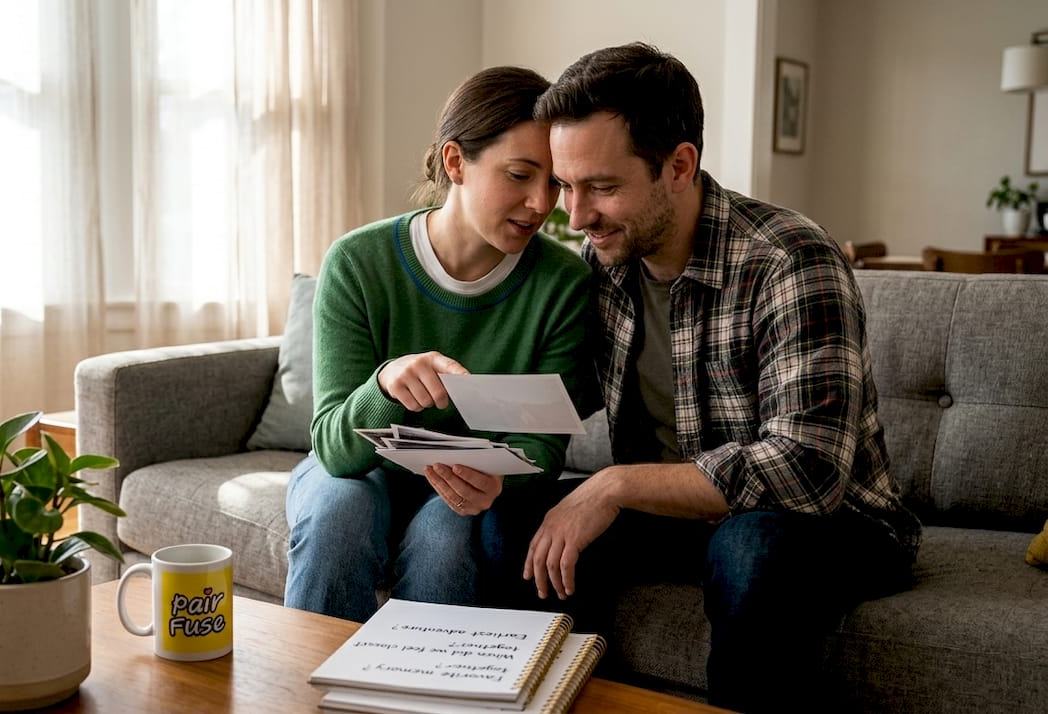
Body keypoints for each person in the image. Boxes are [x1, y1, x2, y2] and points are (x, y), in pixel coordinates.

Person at [488, 43, 923, 712]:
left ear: (679, 166)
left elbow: (807, 469)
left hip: (833, 523)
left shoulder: (789, 260)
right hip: (678, 515)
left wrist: (614, 485)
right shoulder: (606, 261)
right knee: (516, 522)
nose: (575, 216)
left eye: (601, 187)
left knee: (751, 546)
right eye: (567, 186)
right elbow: (558, 396)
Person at [284, 66, 595, 623]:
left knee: (446, 540)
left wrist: (501, 475)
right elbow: (333, 448)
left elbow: (544, 446)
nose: (540, 203)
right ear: (455, 163)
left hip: (468, 485)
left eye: (555, 183)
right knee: (338, 512)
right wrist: (384, 385)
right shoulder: (358, 263)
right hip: (361, 471)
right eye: (520, 175)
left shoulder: (563, 284)